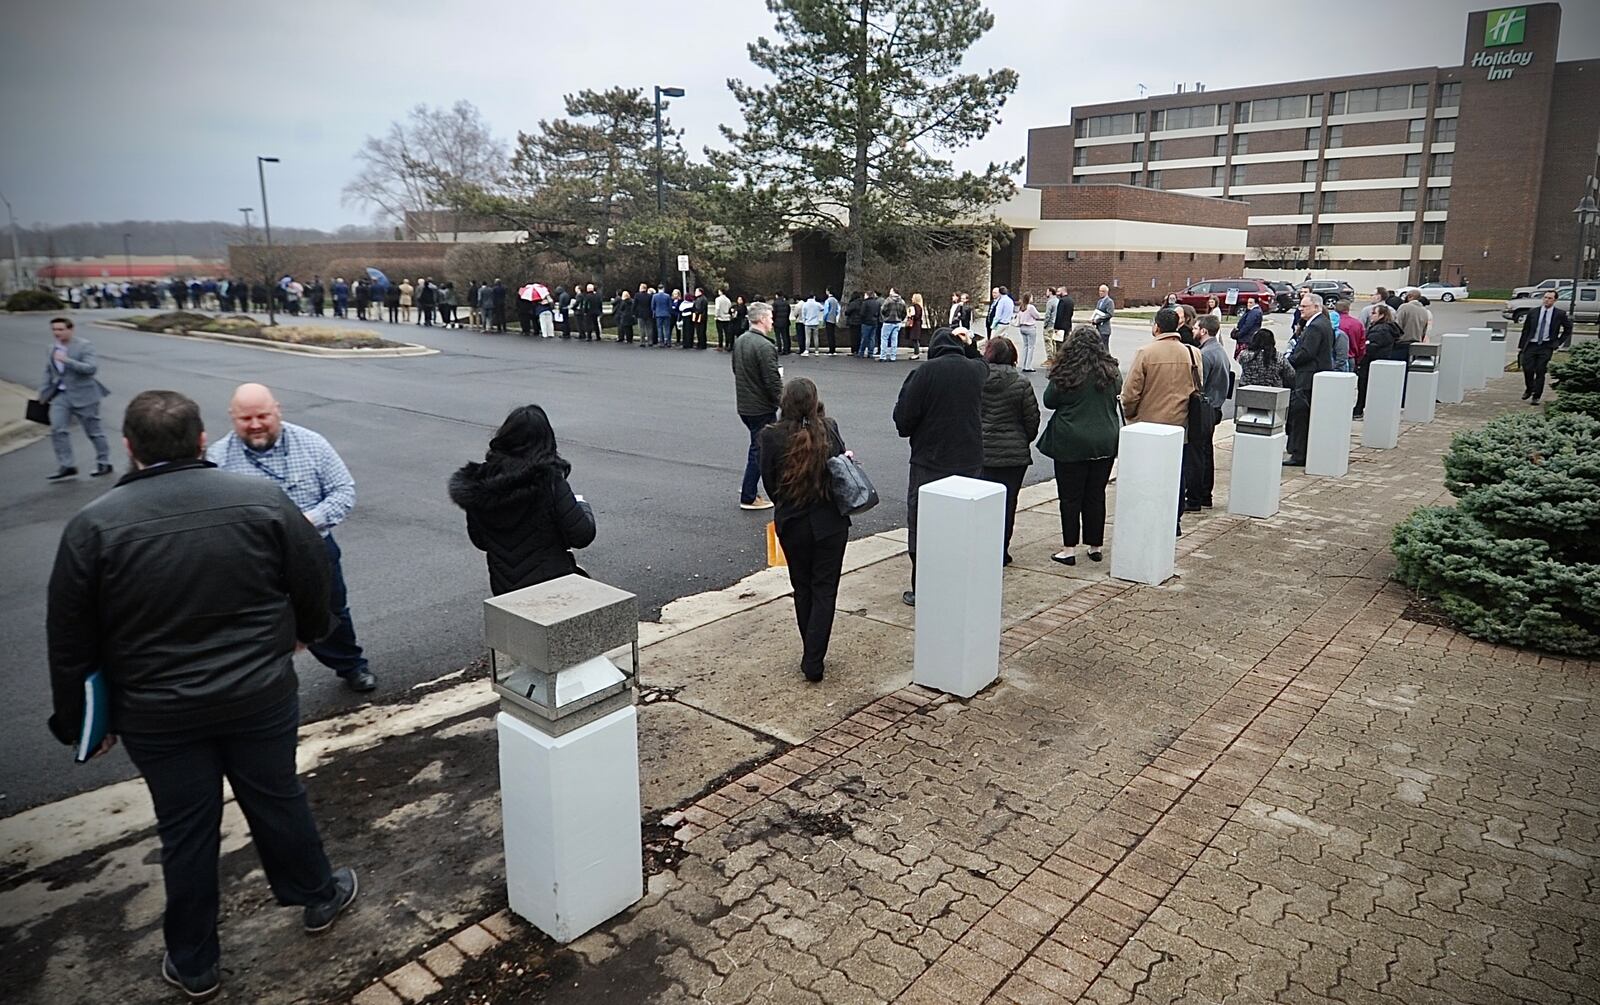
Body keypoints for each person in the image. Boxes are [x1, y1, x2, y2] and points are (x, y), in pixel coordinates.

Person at [46, 390, 358, 1001]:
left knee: (185, 829)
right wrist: (305, 633)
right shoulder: (263, 501)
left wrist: (81, 721)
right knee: (277, 797)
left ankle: (194, 962)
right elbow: (314, 577)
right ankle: (317, 896)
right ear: (200, 441)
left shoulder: (94, 526)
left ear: (131, 449)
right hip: (259, 694)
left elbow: (69, 636)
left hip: (156, 713)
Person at [208, 384, 377, 693]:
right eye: (246, 418)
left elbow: (343, 492)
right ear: (233, 417)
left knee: (331, 612)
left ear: (278, 411)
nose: (256, 424)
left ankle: (351, 665)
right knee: (258, 621)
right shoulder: (217, 459)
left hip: (313, 549)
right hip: (253, 557)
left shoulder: (312, 444)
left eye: (263, 415)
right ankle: (265, 683)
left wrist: (303, 523)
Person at [758, 378, 852, 682]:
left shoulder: (771, 436)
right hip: (830, 523)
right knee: (825, 590)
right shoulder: (829, 428)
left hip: (792, 523)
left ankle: (811, 652)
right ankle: (814, 658)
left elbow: (770, 484)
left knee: (803, 588)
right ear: (814, 402)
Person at [449, 404, 596, 594]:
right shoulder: (549, 482)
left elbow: (480, 541)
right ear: (546, 441)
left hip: (505, 592)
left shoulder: (481, 483)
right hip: (553, 588)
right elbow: (582, 535)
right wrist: (583, 506)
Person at [893, 327, 986, 606]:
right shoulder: (975, 372)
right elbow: (983, 363)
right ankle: (960, 582)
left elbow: (904, 421)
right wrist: (970, 345)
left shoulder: (923, 373)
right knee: (964, 526)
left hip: (930, 461)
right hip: (969, 459)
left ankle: (923, 587)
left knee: (923, 527)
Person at [1038, 325, 1121, 566]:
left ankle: (1069, 548)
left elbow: (1050, 401)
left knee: (1070, 497)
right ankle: (1095, 545)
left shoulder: (1066, 371)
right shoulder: (1111, 371)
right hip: (1104, 440)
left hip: (1070, 441)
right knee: (1096, 495)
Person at [1121, 307, 1201, 531]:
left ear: (1156, 326)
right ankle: (1173, 519)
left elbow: (1130, 393)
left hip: (1149, 424)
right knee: (1176, 475)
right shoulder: (1193, 353)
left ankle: (1149, 519)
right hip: (1180, 425)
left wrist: (1130, 414)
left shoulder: (1145, 353)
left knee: (1148, 476)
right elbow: (1197, 386)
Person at [979, 336, 1040, 566]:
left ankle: (981, 546)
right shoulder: (1021, 382)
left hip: (982, 451)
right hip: (1013, 454)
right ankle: (1001, 550)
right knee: (1007, 504)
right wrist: (1023, 439)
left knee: (981, 502)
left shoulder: (978, 379)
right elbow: (1031, 419)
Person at [39, 316, 114, 481]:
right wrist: (43, 393)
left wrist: (67, 360)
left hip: (85, 395)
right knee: (57, 429)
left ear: (70, 330)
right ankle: (67, 465)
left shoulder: (84, 346)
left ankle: (104, 462)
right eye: (54, 329)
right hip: (61, 395)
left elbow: (91, 369)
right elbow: (49, 371)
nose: (56, 333)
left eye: (60, 329)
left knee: (93, 432)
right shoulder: (51, 348)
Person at [733, 301, 782, 511]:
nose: (772, 321)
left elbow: (736, 369)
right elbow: (772, 381)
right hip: (761, 407)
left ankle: (751, 487)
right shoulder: (765, 346)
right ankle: (749, 495)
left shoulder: (741, 341)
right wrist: (783, 402)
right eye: (770, 317)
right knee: (760, 450)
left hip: (745, 404)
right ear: (761, 319)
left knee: (758, 446)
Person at [1285, 292, 1334, 467]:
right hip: (1314, 375)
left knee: (1301, 417)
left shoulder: (1316, 326)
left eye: (1304, 306)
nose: (1300, 309)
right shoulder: (1323, 323)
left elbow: (1307, 353)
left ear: (1316, 307)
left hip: (1307, 377)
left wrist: (1288, 361)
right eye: (1300, 306)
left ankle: (1299, 454)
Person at [1191, 316, 1230, 510]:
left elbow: (1198, 384)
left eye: (1196, 327)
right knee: (1206, 452)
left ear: (1204, 331)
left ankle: (1198, 496)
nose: (1193, 330)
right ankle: (1205, 494)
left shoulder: (1205, 354)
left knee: (1199, 453)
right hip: (1215, 407)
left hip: (1206, 409)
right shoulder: (1220, 351)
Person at [1518, 290, 1572, 404]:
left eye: (1550, 298)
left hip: (1546, 346)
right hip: (1531, 344)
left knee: (1540, 370)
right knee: (1527, 369)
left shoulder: (1559, 314)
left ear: (1555, 300)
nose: (1547, 300)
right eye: (1545, 297)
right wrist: (1522, 346)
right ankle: (1529, 388)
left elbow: (1568, 329)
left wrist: (1558, 342)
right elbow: (1526, 330)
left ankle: (1536, 396)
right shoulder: (1533, 312)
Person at [1354, 303, 1403, 418]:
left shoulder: (1380, 330)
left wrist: (1362, 357)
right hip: (1379, 362)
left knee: (1364, 386)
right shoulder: (1386, 328)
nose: (1371, 315)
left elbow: (1372, 347)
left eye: (1374, 313)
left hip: (1372, 363)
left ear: (1381, 315)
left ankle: (1359, 409)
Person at [1015, 293, 1044, 372]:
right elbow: (1037, 316)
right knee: (1031, 347)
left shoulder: (1021, 307)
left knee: (1025, 346)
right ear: (1029, 298)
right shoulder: (1031, 307)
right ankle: (1028, 366)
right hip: (1030, 328)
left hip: (1022, 327)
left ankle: (1023, 365)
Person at [879, 287, 906, 361]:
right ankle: (893, 356)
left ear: (893, 292)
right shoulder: (902, 301)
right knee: (894, 340)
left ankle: (883, 356)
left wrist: (884, 317)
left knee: (884, 339)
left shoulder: (888, 300)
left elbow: (882, 310)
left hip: (888, 322)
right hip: (897, 322)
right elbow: (904, 312)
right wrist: (901, 319)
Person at [1050, 286, 1075, 363]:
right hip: (1068, 325)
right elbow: (1071, 313)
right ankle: (1067, 360)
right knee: (1066, 344)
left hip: (1060, 327)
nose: (1057, 293)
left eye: (1058, 292)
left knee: (1059, 345)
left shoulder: (1062, 301)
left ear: (1063, 292)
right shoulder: (1071, 301)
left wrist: (1056, 327)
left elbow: (1059, 315)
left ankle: (1059, 361)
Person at [859, 289, 882, 359]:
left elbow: (862, 313)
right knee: (872, 338)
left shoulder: (865, 303)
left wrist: (862, 319)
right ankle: (870, 352)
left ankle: (861, 352)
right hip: (874, 322)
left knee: (864, 337)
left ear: (867, 295)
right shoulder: (877, 303)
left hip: (866, 322)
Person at [799, 293, 823, 357]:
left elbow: (803, 314)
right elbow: (822, 308)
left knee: (808, 338)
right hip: (815, 322)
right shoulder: (817, 304)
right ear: (814, 297)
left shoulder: (805, 304)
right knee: (816, 337)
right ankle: (816, 351)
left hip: (808, 322)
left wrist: (804, 321)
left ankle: (807, 350)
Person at [842, 291, 864, 356]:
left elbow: (847, 312)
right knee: (859, 336)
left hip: (853, 322)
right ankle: (859, 349)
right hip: (860, 321)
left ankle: (854, 350)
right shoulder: (862, 303)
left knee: (853, 337)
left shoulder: (853, 303)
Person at [906, 292, 926, 360]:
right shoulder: (920, 307)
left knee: (915, 339)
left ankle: (916, 353)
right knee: (916, 339)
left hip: (915, 324)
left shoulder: (914, 307)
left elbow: (913, 316)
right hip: (918, 324)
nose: (911, 299)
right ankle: (916, 352)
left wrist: (909, 314)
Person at [822, 289, 841, 354]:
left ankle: (831, 350)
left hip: (828, 319)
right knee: (833, 335)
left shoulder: (828, 300)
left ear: (828, 292)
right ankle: (833, 349)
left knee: (829, 335)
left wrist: (824, 319)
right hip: (833, 319)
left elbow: (826, 311)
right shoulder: (835, 300)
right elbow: (838, 310)